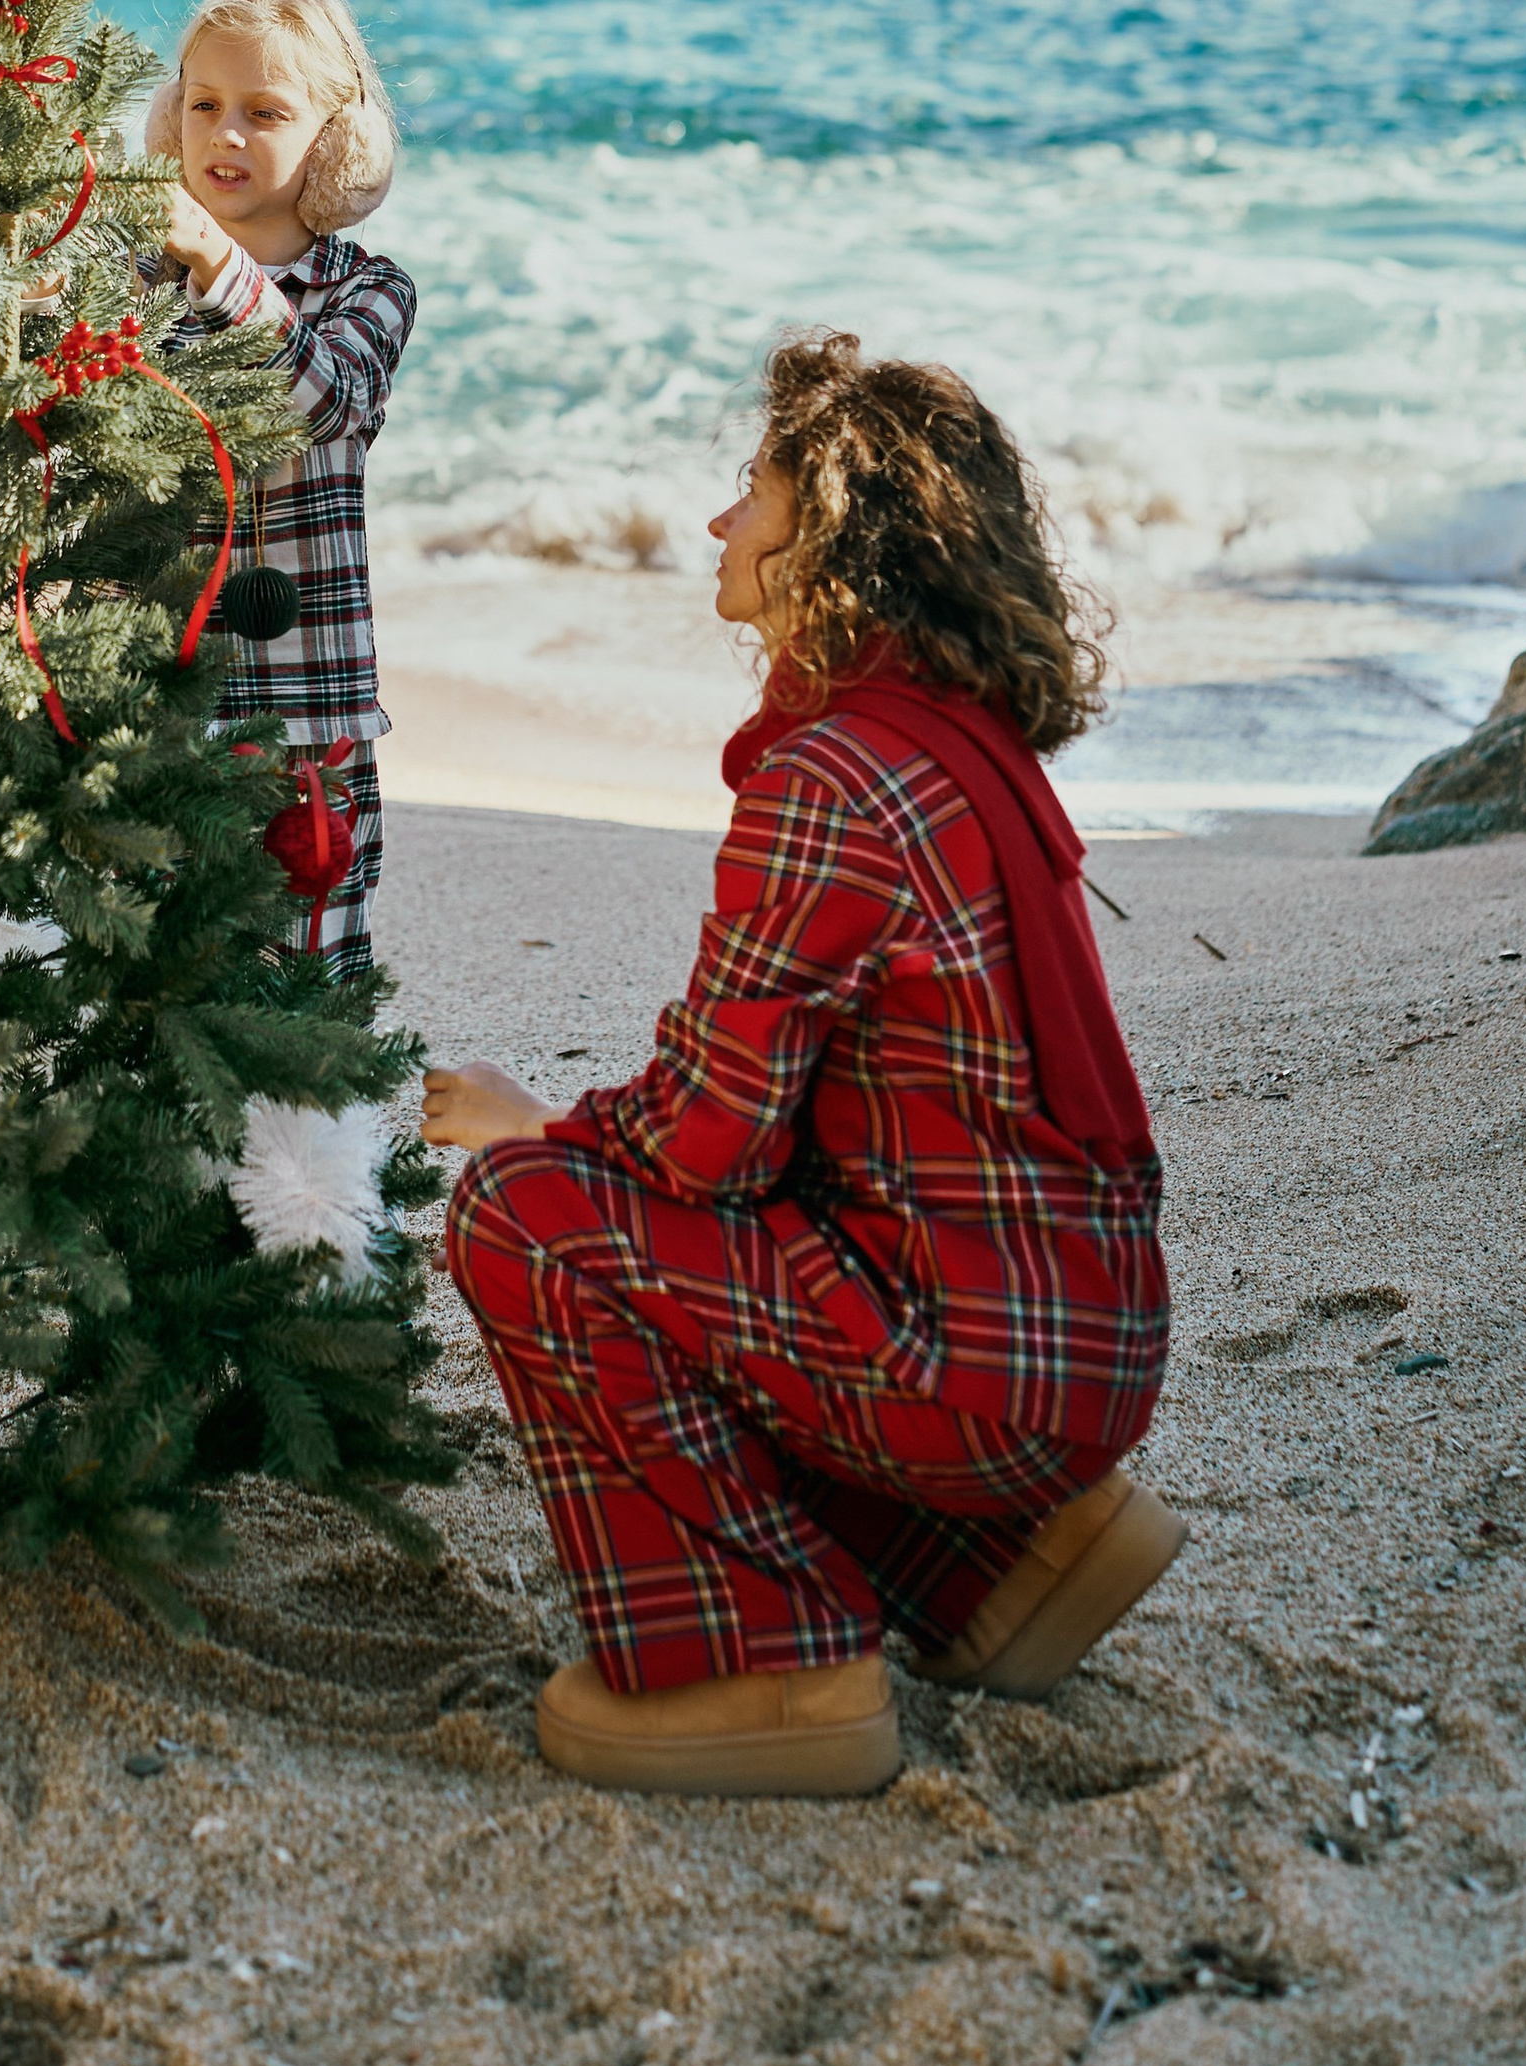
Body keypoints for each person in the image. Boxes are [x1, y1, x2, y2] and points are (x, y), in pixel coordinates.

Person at [422, 333, 1178, 1800]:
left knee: (526, 1223)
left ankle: (769, 1667)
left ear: (832, 539)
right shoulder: (961, 737)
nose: (718, 523)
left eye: (751, 492)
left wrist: (534, 1135)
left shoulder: (832, 779)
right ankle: (999, 1565)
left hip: (985, 1370)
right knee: (752, 1251)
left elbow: (706, 1140)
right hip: (1084, 1334)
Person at [144, 0, 414, 979]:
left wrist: (218, 267)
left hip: (308, 697)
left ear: (335, 141)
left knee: (308, 951)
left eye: (265, 113)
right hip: (158, 689)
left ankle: (310, 1141)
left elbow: (325, 399)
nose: (227, 134)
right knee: (161, 961)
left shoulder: (369, 290)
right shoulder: (133, 286)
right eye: (203, 106)